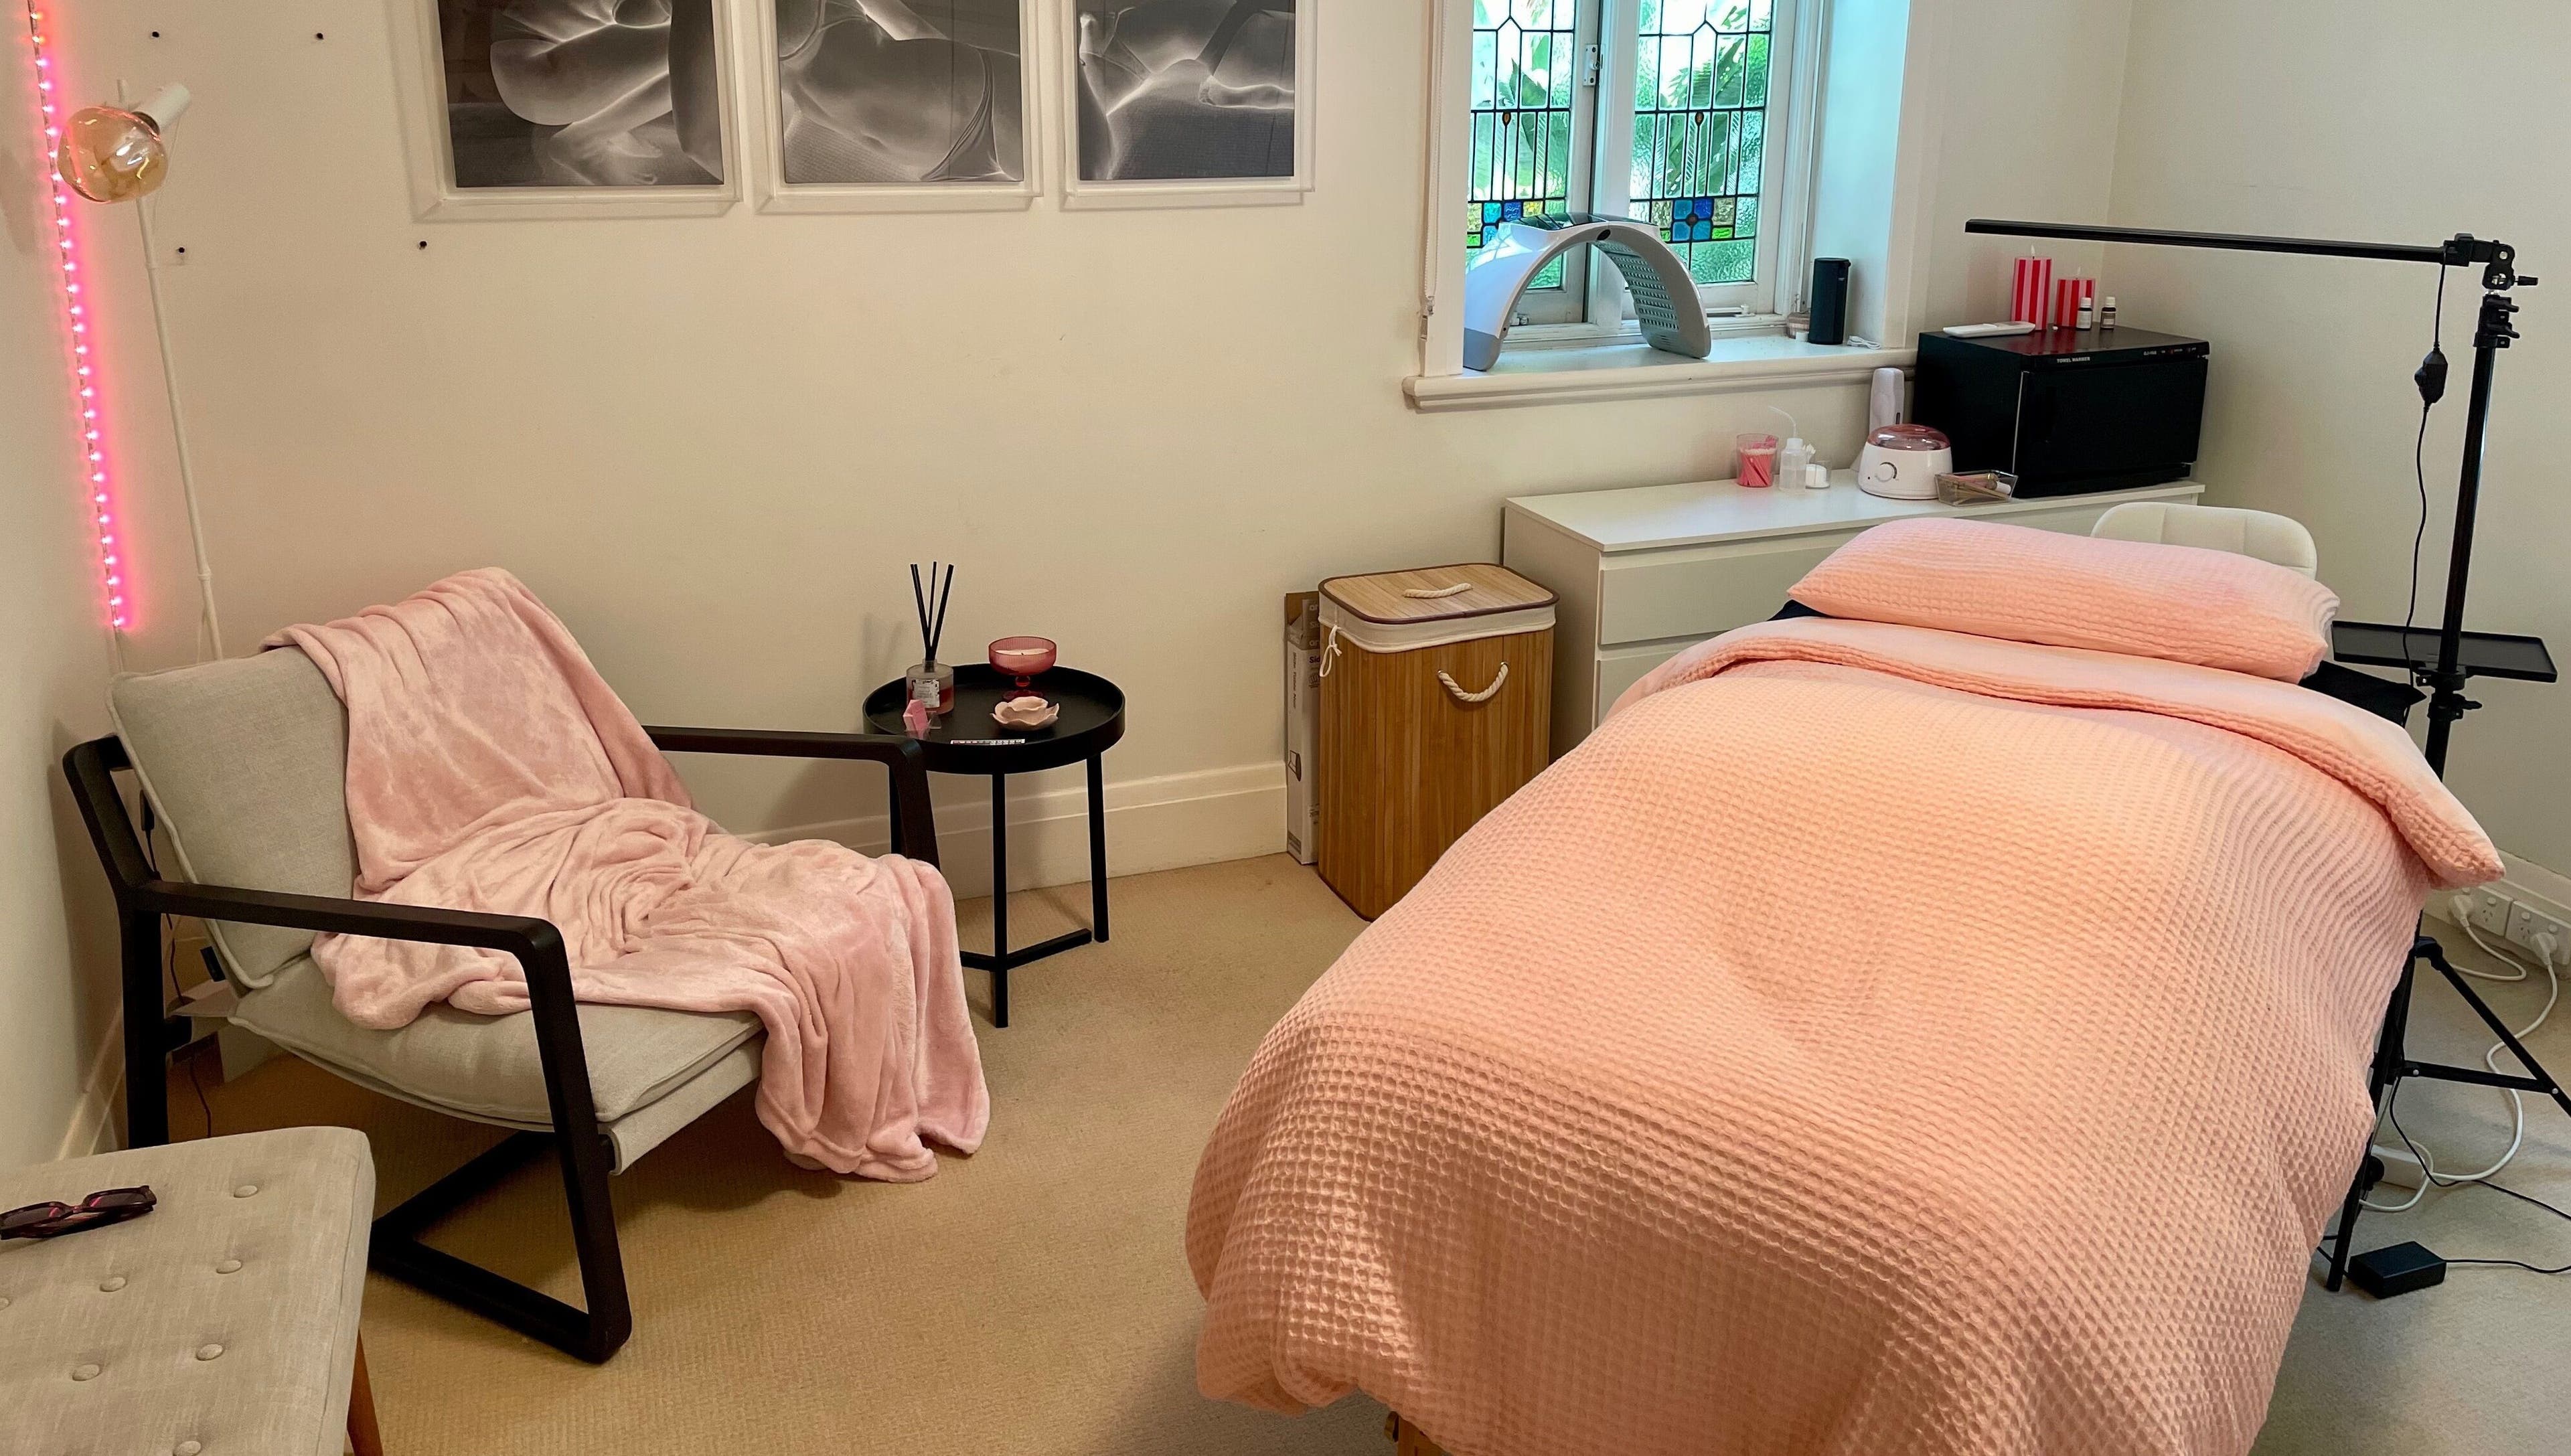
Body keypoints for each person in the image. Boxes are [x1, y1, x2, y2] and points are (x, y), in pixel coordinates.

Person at [776, 0, 1026, 184]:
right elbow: (911, 27)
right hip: (943, 158)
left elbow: (912, 27)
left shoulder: (752, 45)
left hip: (976, 113)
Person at [1075, 0, 1294, 181]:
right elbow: (1274, 97)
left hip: (1213, 31)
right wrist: (1231, 97)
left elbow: (1274, 97)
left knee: (1081, 152)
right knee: (1085, 159)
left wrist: (1232, 97)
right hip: (1207, 36)